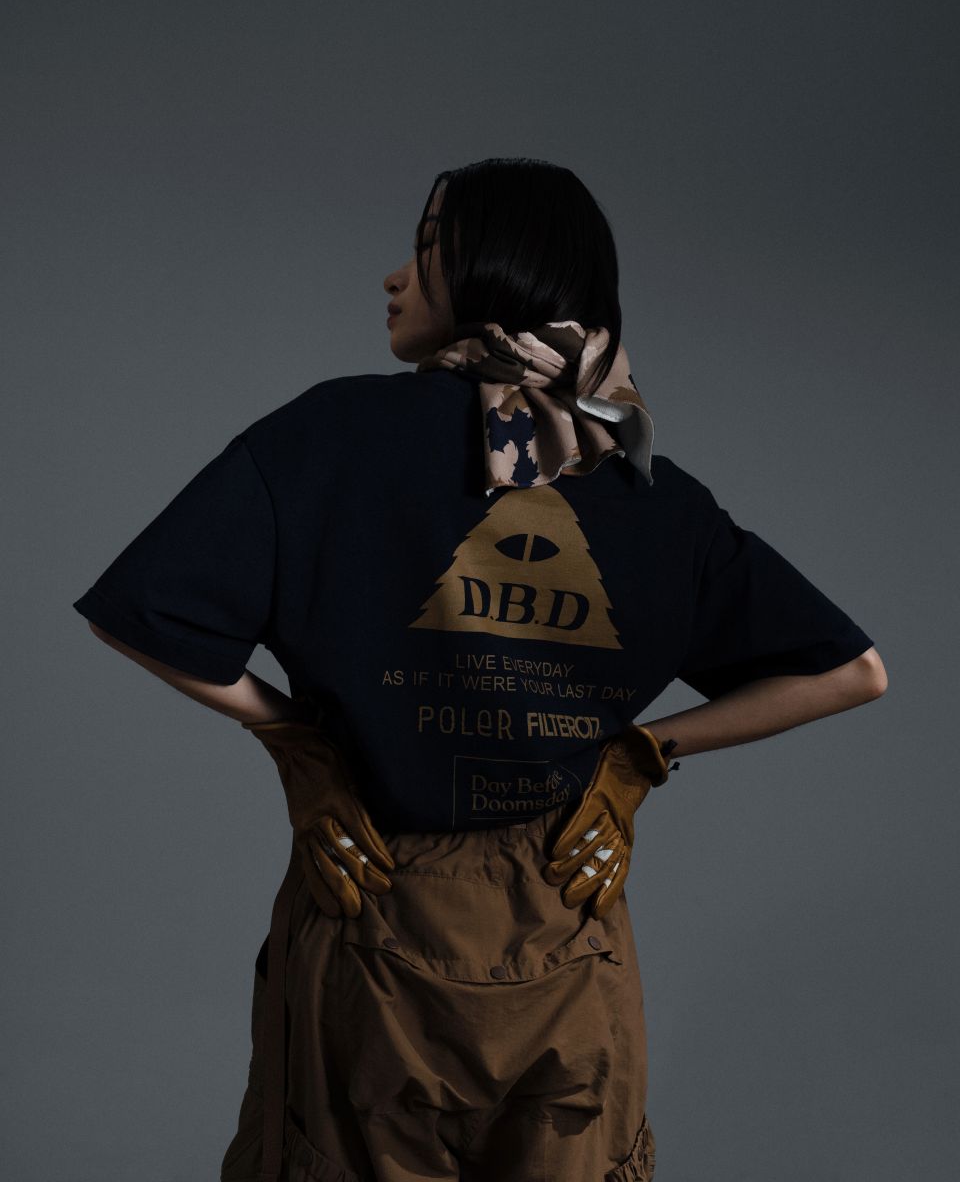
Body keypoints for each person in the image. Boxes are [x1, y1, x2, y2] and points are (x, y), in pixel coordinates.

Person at [73, 156, 887, 1182]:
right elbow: (854, 672)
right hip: (568, 917)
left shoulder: (331, 436)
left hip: (372, 907)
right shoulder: (648, 491)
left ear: (494, 268)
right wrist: (635, 758)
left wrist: (296, 742)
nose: (394, 277)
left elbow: (142, 613)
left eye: (426, 247)